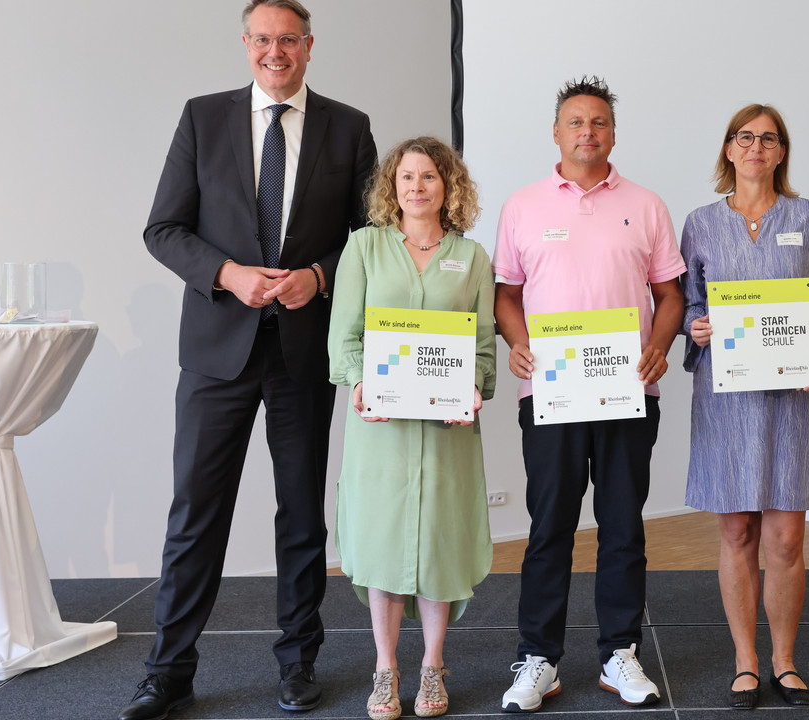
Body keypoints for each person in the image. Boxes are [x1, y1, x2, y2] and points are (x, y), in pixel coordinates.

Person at [122, 1, 376, 718]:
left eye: (288, 39)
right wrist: (227, 274)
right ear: (245, 46)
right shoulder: (201, 118)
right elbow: (163, 228)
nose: (275, 51)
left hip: (303, 351)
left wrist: (320, 276)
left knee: (301, 516)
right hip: (215, 353)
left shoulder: (348, 126)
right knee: (195, 514)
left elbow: (371, 237)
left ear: (308, 46)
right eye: (263, 39)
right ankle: (168, 670)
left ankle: (298, 663)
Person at [491, 76, 685, 712]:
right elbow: (507, 296)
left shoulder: (646, 205)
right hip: (548, 394)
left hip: (628, 394)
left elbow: (670, 295)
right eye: (576, 122)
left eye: (599, 122)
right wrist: (517, 342)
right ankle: (539, 659)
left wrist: (659, 345)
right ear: (556, 132)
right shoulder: (522, 207)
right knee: (549, 527)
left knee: (623, 526)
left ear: (612, 133)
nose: (587, 132)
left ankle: (618, 654)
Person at [680, 104, 809, 709]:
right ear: (728, 149)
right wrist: (695, 327)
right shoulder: (698, 223)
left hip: (791, 400)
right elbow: (689, 304)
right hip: (726, 399)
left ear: (781, 152)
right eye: (744, 138)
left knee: (787, 538)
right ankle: (745, 662)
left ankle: (784, 661)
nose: (755, 148)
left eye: (768, 139)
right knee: (738, 530)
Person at [328, 137, 495, 720]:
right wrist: (358, 383)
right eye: (406, 177)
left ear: (448, 186)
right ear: (391, 187)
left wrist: (473, 388)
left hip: (447, 431)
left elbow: (481, 347)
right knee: (382, 548)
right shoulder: (364, 249)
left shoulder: (471, 258)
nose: (417, 187)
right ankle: (384, 669)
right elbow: (344, 337)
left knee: (439, 547)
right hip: (383, 429)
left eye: (429, 177)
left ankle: (431, 668)